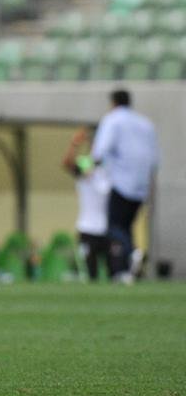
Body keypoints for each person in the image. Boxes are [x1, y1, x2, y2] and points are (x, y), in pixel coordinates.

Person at [91, 89, 159, 283]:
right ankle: (126, 269)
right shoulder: (146, 124)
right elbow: (155, 159)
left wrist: (90, 167)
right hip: (141, 185)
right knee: (126, 227)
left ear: (113, 103)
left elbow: (99, 151)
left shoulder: (112, 120)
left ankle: (132, 253)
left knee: (114, 227)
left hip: (121, 182)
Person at [62, 128, 110, 281]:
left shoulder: (111, 167)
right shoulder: (86, 165)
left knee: (114, 271)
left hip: (109, 228)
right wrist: (74, 144)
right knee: (91, 272)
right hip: (88, 228)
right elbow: (67, 164)